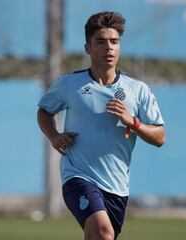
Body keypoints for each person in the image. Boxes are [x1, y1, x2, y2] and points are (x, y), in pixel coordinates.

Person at [37, 11, 165, 240]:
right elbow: (44, 111)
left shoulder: (137, 90)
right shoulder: (70, 84)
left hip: (117, 188)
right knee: (104, 233)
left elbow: (160, 137)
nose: (109, 48)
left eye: (114, 42)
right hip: (78, 176)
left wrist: (133, 122)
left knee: (99, 236)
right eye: (101, 42)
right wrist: (54, 136)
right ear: (88, 48)